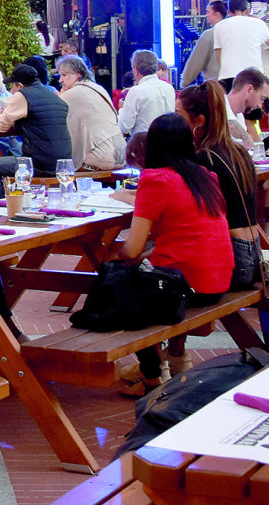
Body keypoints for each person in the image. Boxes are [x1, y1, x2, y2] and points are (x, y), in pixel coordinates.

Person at [116, 113, 232, 396]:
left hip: (187, 286)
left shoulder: (155, 179)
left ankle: (152, 377)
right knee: (159, 275)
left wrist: (112, 253)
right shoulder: (206, 176)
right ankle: (178, 356)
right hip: (219, 279)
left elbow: (132, 250)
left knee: (122, 285)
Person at [175, 83, 259, 290]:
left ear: (199, 122)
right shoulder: (237, 151)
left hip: (234, 262)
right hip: (254, 255)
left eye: (178, 114)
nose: (174, 120)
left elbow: (178, 204)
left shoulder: (203, 159)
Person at [0, 63, 73, 176]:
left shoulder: (23, 95)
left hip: (38, 164)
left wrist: (8, 114)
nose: (11, 91)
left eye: (13, 86)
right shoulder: (54, 97)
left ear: (20, 86)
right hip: (63, 163)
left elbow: (0, 126)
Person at [57, 56, 125, 171]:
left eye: (64, 75)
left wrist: (62, 94)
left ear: (78, 74)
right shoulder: (98, 88)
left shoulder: (72, 94)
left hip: (101, 158)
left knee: (60, 165)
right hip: (123, 155)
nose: (60, 80)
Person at [211, 0, 269, 84]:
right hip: (254, 77)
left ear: (229, 12)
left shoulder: (219, 26)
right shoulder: (259, 24)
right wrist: (266, 71)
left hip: (227, 76)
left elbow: (220, 58)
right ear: (247, 11)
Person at [118, 50, 175, 137]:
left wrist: (122, 109)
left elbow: (124, 127)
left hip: (144, 145)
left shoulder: (136, 91)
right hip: (168, 143)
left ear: (136, 70)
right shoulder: (169, 88)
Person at [179, 0, 227, 86]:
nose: (206, 15)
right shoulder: (232, 34)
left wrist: (184, 82)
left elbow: (195, 62)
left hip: (213, 86)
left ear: (217, 14)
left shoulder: (210, 34)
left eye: (208, 12)